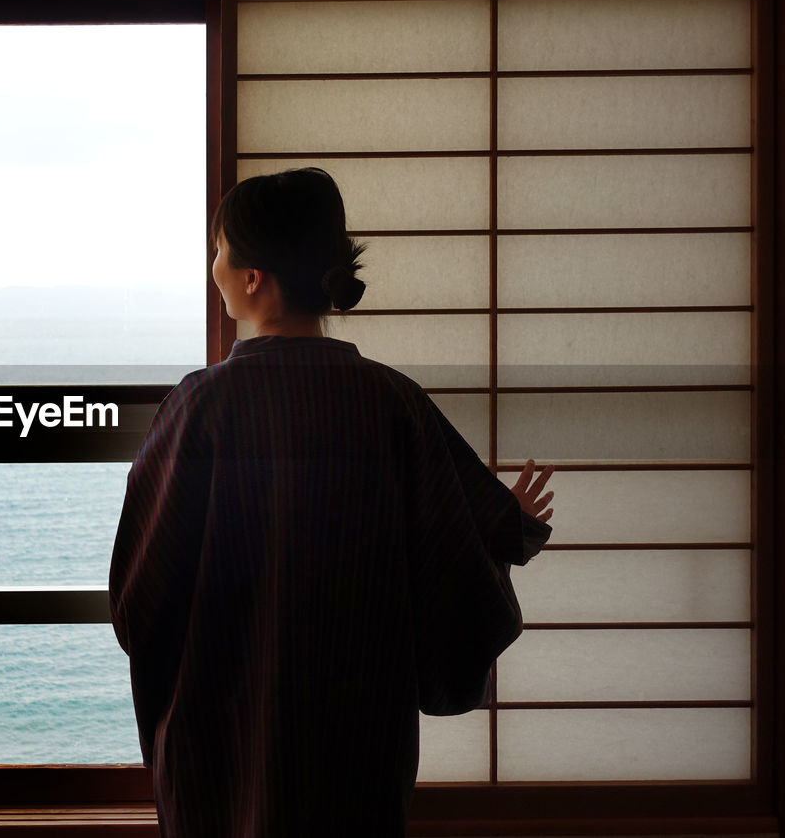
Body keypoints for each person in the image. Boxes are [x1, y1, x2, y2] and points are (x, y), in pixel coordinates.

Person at [108, 167, 555, 837]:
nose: (215, 267)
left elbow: (142, 592)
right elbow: (452, 549)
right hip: (359, 735)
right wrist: (504, 526)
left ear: (252, 276)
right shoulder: (391, 401)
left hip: (230, 735)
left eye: (219, 251)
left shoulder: (201, 406)